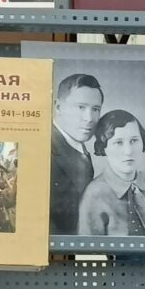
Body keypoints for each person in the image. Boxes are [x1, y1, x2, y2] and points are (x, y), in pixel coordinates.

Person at [76, 110, 145, 237]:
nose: (128, 151)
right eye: (118, 142)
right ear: (104, 147)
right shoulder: (94, 195)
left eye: (134, 141)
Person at [50, 73, 103, 234]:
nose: (89, 118)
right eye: (81, 107)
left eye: (95, 109)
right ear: (58, 107)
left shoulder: (79, 148)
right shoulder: (46, 149)